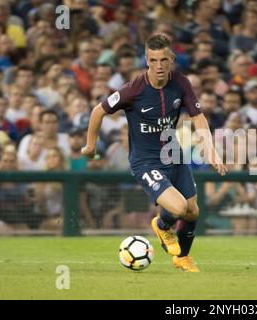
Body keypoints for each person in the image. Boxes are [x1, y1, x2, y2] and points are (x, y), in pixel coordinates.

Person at [82, 34, 226, 272]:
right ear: (146, 60)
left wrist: (210, 149)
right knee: (178, 208)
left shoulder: (181, 83)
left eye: (163, 60)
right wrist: (90, 146)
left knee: (192, 211)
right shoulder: (133, 90)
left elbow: (198, 117)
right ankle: (161, 225)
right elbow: (99, 111)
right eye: (153, 60)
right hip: (146, 162)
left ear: (172, 59)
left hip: (173, 155)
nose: (159, 66)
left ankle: (182, 258)